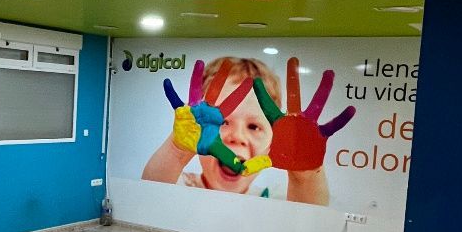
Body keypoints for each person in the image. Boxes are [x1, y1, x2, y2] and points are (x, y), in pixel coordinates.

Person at [141, 55, 331, 204]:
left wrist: (305, 177)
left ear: (271, 143)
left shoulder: (276, 198)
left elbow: (310, 220)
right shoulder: (180, 185)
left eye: (254, 126)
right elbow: (149, 198)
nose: (237, 137)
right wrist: (177, 151)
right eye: (223, 122)